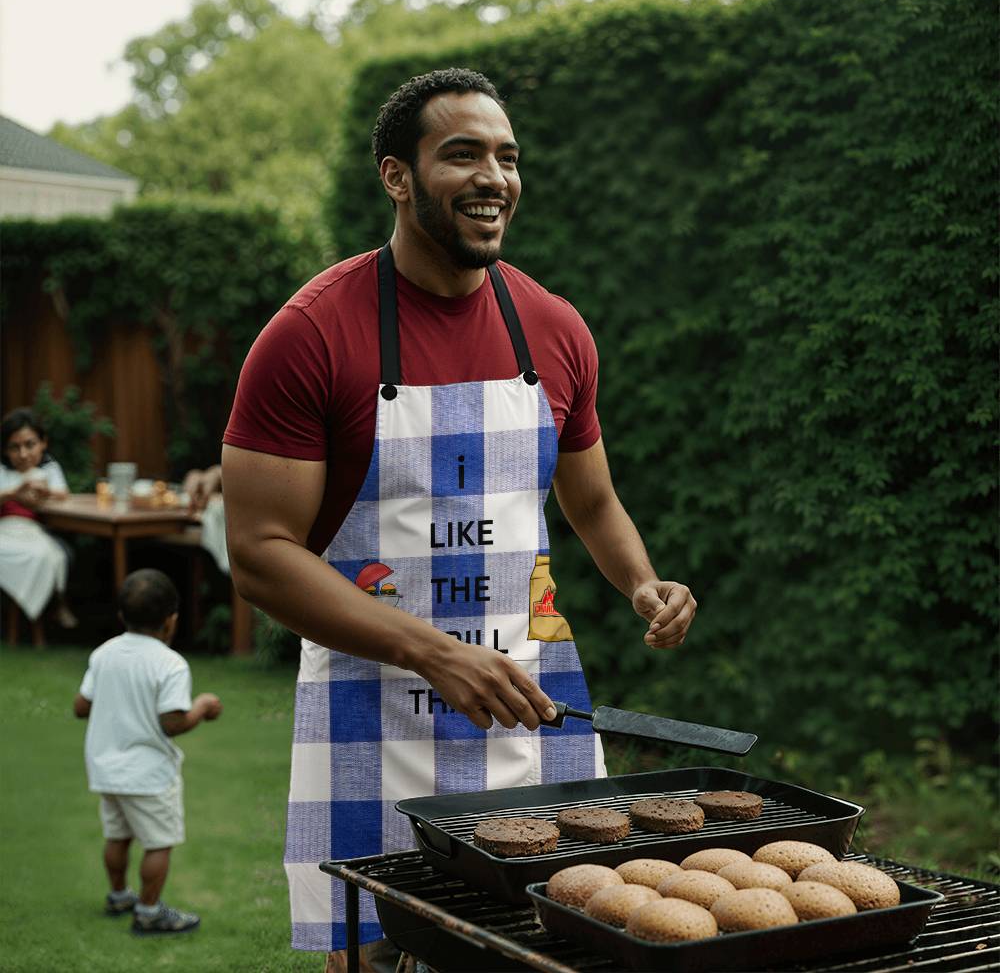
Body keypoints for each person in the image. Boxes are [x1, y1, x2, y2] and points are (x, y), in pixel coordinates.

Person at [221, 67, 697, 966]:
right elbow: (259, 554)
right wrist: (435, 653)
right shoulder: (311, 334)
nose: (495, 178)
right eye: (464, 154)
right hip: (372, 721)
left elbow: (591, 498)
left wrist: (642, 581)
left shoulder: (555, 328)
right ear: (396, 176)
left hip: (532, 710)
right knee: (376, 951)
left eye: (507, 158)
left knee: (554, 945)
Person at [73, 567, 223, 936]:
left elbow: (80, 706)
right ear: (171, 619)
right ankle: (149, 911)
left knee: (117, 836)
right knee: (158, 843)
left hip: (105, 769)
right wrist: (202, 707)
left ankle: (118, 895)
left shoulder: (104, 653)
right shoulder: (169, 663)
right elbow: (172, 722)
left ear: (121, 615)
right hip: (148, 774)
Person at [0, 407, 77, 646]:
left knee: (52, 555)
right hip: (6, 532)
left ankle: (56, 603)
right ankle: (53, 607)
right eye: (15, 447)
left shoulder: (48, 470)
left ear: (43, 443)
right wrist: (15, 493)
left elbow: (63, 494)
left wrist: (46, 493)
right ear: (5, 449)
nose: (23, 454)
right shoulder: (3, 472)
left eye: (29, 445)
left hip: (33, 532)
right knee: (37, 556)